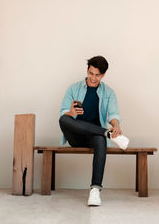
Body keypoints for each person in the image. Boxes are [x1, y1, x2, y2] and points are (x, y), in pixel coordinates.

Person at [58, 55, 129, 206]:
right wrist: (71, 113)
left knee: (100, 139)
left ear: (103, 75)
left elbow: (114, 114)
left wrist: (116, 126)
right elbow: (63, 113)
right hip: (75, 135)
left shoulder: (108, 92)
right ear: (87, 71)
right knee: (63, 119)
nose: (93, 78)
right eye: (91, 73)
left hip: (94, 137)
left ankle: (95, 191)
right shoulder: (73, 88)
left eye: (98, 75)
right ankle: (105, 132)